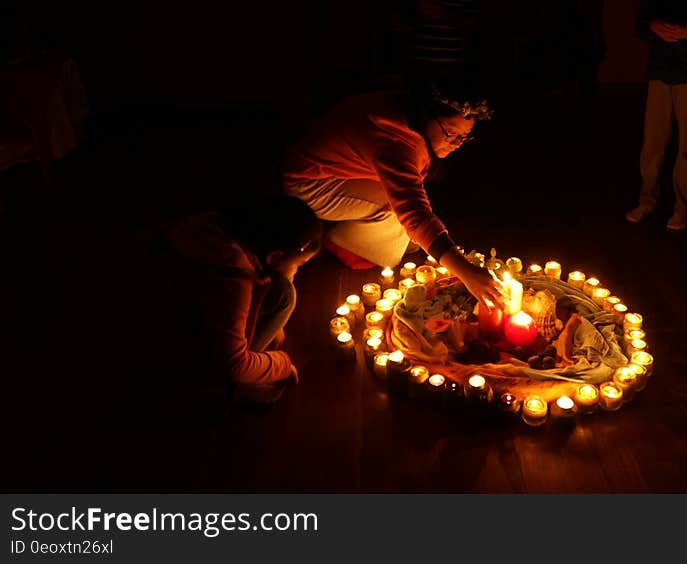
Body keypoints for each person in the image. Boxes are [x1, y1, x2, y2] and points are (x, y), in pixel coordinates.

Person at [283, 79, 505, 309]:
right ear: (427, 114)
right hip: (310, 183)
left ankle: (354, 228)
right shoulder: (394, 141)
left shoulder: (409, 112)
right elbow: (414, 213)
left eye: (464, 137)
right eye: (451, 133)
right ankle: (335, 238)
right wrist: (466, 272)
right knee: (391, 250)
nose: (457, 143)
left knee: (411, 242)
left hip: (344, 171)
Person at [118, 196, 322, 405]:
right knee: (270, 387)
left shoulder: (221, 226)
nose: (296, 271)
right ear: (274, 256)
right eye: (299, 265)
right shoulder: (231, 271)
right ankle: (205, 392)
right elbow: (234, 365)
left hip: (158, 299)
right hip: (158, 343)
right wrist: (283, 365)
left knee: (280, 293)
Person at [626, 0, 687, 231]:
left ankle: (683, 206)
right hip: (660, 71)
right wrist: (653, 26)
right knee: (652, 142)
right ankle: (647, 200)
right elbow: (640, 24)